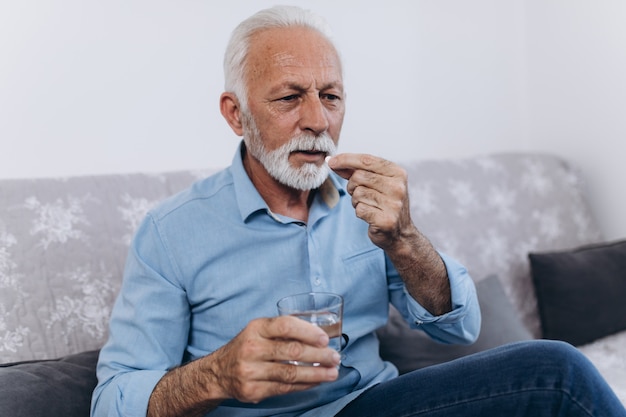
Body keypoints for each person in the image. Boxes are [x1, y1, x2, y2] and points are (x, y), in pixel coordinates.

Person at [91, 5, 626, 417]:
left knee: (554, 374)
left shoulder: (365, 202)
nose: (317, 120)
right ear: (236, 113)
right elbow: (111, 399)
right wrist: (218, 376)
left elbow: (459, 328)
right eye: (288, 98)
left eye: (331, 96)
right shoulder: (171, 233)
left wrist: (407, 240)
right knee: (558, 373)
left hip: (378, 405)